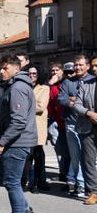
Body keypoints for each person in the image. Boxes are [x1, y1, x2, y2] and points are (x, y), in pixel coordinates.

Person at [0, 55, 40, 213]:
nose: (2, 71)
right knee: (8, 178)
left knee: (11, 181)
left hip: (17, 142)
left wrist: (2, 142)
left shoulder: (17, 88)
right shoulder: (17, 85)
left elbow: (18, 121)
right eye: (0, 68)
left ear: (16, 69)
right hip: (18, 140)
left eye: (5, 68)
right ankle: (26, 212)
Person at [58, 55, 97, 204]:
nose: (95, 68)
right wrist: (89, 113)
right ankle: (91, 191)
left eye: (81, 65)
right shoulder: (83, 84)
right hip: (84, 125)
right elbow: (72, 101)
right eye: (76, 65)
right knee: (86, 160)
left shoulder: (88, 80)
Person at [22, 65, 50, 193]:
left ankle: (38, 182)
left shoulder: (44, 88)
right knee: (27, 156)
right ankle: (25, 181)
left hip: (38, 126)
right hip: (25, 126)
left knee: (38, 156)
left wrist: (23, 107)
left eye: (34, 74)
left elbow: (41, 107)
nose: (31, 76)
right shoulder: (23, 87)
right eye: (29, 73)